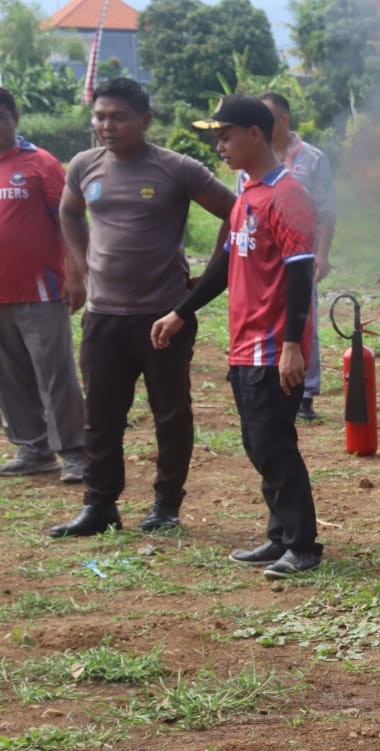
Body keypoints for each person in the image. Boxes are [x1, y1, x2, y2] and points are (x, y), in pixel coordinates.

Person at [51, 77, 236, 538]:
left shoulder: (177, 168)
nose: (106, 126)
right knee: (102, 416)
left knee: (170, 413)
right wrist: (79, 267)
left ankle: (166, 505)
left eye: (118, 117)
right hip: (104, 316)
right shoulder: (83, 166)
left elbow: (237, 213)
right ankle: (99, 506)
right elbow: (69, 213)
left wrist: (206, 279)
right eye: (99, 117)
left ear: (145, 121)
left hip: (163, 317)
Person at [150, 96, 323, 580]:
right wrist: (180, 312)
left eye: (225, 135)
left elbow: (300, 275)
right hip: (245, 344)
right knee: (257, 442)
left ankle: (302, 546)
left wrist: (292, 345)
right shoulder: (246, 193)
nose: (219, 145)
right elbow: (224, 265)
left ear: (253, 133)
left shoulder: (287, 196)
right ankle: (279, 537)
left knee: (273, 444)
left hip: (273, 347)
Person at [0, 86, 86, 482]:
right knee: (9, 375)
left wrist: (75, 273)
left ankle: (73, 451)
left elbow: (66, 220)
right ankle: (33, 448)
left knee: (55, 375)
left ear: (14, 118)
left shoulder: (41, 164)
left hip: (41, 291)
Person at [236, 92, 336, 422]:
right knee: (262, 316)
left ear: (283, 120)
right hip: (261, 257)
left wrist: (321, 254)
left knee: (303, 316)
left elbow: (326, 209)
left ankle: (305, 390)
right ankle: (264, 377)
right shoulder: (247, 161)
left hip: (298, 252)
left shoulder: (312, 158)